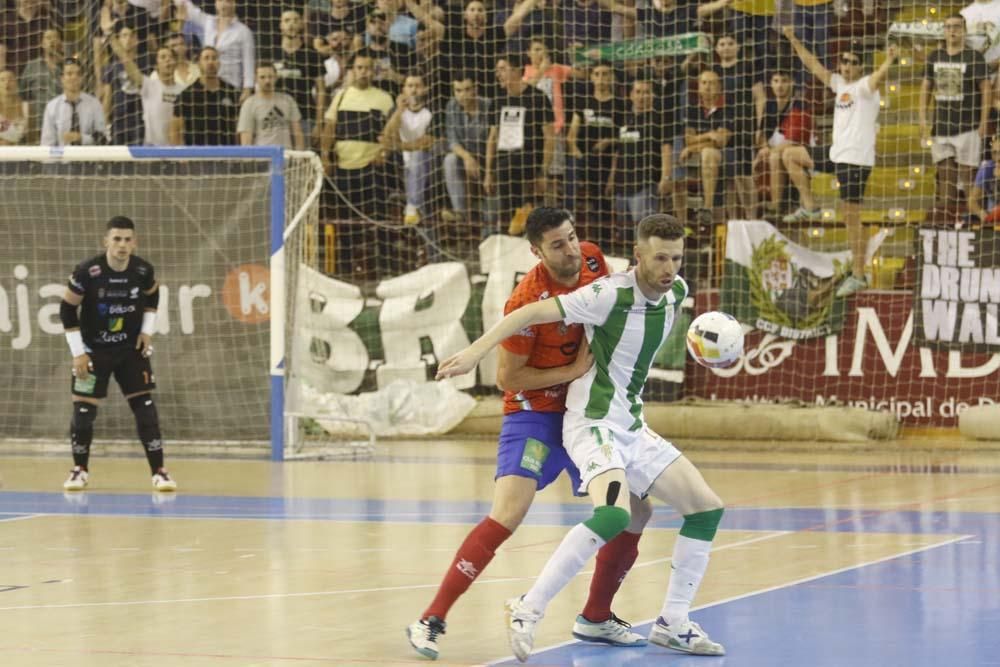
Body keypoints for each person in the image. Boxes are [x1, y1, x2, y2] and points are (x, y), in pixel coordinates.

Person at [436, 213, 727, 662]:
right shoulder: (607, 294)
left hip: (630, 423)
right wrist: (475, 351)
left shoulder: (679, 294)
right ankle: (528, 609)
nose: (669, 268)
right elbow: (530, 312)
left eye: (676, 258)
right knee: (613, 514)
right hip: (591, 424)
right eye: (660, 258)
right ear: (638, 256)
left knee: (706, 509)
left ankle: (672, 621)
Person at [407, 207, 652, 660]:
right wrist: (572, 368)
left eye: (573, 237)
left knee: (635, 509)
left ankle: (596, 616)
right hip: (535, 414)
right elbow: (509, 379)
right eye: (558, 245)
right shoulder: (525, 301)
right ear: (536, 252)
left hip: (586, 411)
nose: (573, 249)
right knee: (508, 514)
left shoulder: (596, 261)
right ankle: (431, 618)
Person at [60, 216, 178, 493]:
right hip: (93, 352)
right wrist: (79, 353)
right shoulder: (87, 272)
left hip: (129, 352)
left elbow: (152, 296)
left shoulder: (142, 270)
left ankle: (159, 472)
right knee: (83, 413)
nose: (122, 245)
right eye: (116, 239)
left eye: (127, 240)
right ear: (106, 242)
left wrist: (146, 331)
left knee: (146, 411)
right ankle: (80, 470)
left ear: (134, 242)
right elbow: (66, 310)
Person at [784, 29, 898, 298]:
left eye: (852, 62)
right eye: (844, 61)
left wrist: (889, 60)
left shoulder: (866, 87)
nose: (846, 66)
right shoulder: (839, 84)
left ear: (861, 66)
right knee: (790, 155)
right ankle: (810, 206)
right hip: (837, 154)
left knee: (852, 220)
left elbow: (878, 77)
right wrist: (794, 39)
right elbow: (813, 65)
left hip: (856, 162)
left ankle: (859, 274)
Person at [919, 15, 991, 217]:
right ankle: (947, 222)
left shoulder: (974, 57)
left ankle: (973, 222)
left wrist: (984, 121)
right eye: (948, 27)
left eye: (957, 27)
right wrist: (923, 119)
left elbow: (986, 89)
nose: (952, 31)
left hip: (968, 127)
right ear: (944, 31)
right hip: (941, 127)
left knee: (969, 180)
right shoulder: (935, 57)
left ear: (964, 30)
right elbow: (925, 88)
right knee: (945, 179)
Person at [108, 33, 185, 146]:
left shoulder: (183, 90)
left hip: (175, 150)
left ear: (176, 63)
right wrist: (111, 36)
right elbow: (126, 61)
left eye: (171, 57)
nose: (168, 60)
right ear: (156, 65)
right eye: (163, 57)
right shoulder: (149, 85)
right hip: (151, 150)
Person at [172, 0, 255, 101]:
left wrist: (247, 89)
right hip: (206, 84)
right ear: (215, 3)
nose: (223, 4)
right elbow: (189, 8)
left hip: (230, 87)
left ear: (234, 3)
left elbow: (249, 63)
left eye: (227, 1)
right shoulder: (208, 22)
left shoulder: (243, 31)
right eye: (220, 1)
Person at [169, 46, 240, 145]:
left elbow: (237, 126)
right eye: (206, 58)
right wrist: (180, 156)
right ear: (199, 63)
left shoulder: (231, 92)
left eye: (214, 58)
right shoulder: (187, 95)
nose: (210, 62)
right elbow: (175, 129)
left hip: (226, 153)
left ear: (219, 63)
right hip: (197, 154)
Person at [40, 58, 108, 147]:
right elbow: (47, 143)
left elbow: (103, 138)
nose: (74, 77)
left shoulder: (94, 104)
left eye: (78, 74)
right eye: (69, 74)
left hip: (88, 159)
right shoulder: (52, 107)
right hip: (62, 160)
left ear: (82, 78)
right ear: (62, 78)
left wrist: (81, 138)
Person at [237, 61, 305, 149]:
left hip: (286, 155)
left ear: (276, 77)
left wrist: (299, 155)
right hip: (263, 157)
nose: (267, 81)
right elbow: (246, 139)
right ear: (255, 79)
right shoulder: (249, 104)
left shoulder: (288, 100)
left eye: (270, 76)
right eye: (262, 77)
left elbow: (297, 132)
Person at [0, 69, 30, 145]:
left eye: (10, 79)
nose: (7, 83)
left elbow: (32, 138)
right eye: (2, 80)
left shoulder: (26, 107)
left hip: (20, 153)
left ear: (17, 83)